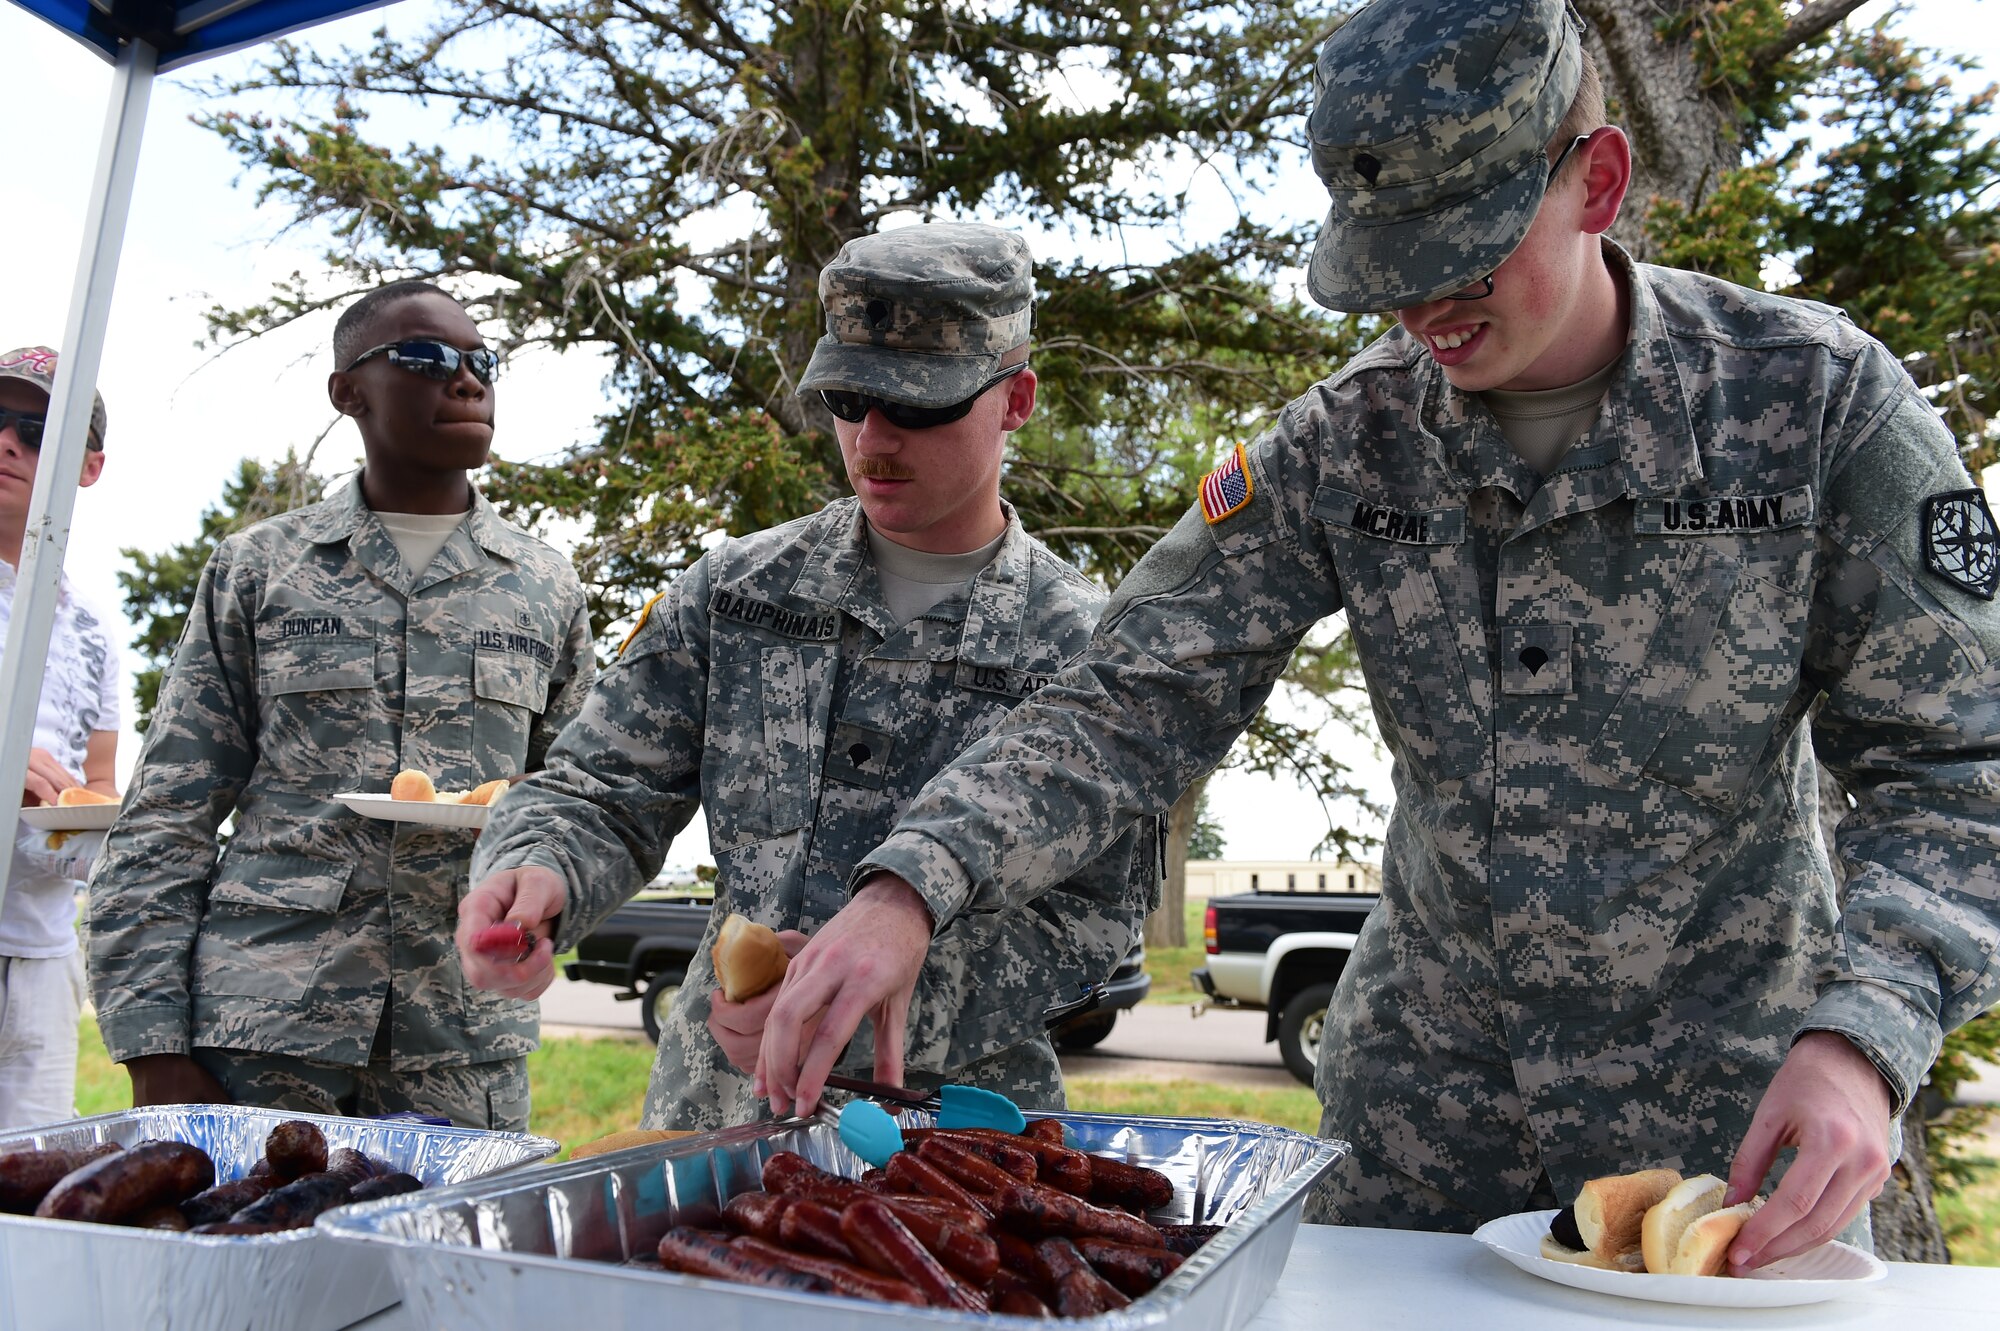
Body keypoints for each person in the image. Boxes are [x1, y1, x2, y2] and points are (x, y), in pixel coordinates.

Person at [758, 0, 2000, 1273]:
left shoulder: (1812, 404)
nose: (1424, 309)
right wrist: (911, 881)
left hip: (1727, 1127)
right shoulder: (1345, 439)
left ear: (1599, 181)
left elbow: (1960, 764)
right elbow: (1127, 693)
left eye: (1463, 258)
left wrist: (1865, 1036)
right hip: (1423, 1126)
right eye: (1390, 264)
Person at [458, 222, 1158, 1129]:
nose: (871, 439)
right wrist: (538, 868)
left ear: (1016, 398)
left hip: (953, 1143)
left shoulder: (1081, 645)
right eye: (845, 397)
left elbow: (1097, 920)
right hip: (721, 1117)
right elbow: (602, 788)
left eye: (918, 405)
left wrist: (882, 996)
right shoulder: (739, 592)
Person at [88, 282, 595, 1128]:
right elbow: (166, 815)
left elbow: (582, 805)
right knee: (250, 1261)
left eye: (482, 362)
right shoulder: (261, 569)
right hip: (265, 1039)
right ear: (348, 391)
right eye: (427, 358)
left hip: (461, 1048)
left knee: (450, 1267)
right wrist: (153, 1048)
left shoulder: (543, 585)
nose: (465, 380)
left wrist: (553, 911)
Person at [0, 345, 118, 1130]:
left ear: (88, 467)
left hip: (43, 951)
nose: (6, 442)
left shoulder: (92, 628)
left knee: (26, 1187)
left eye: (35, 430)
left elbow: (100, 781)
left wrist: (90, 817)